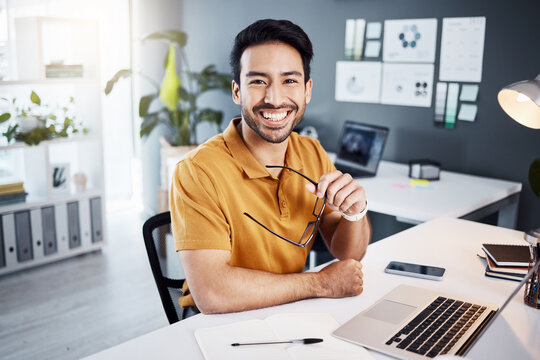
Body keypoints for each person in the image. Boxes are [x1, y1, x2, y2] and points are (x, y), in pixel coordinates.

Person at [170, 19, 371, 317]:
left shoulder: (312, 152)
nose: (274, 99)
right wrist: (320, 283)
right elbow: (212, 293)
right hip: (221, 321)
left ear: (307, 90)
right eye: (258, 81)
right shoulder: (197, 171)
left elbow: (348, 254)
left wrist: (354, 213)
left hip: (290, 308)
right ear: (237, 91)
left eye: (289, 81)